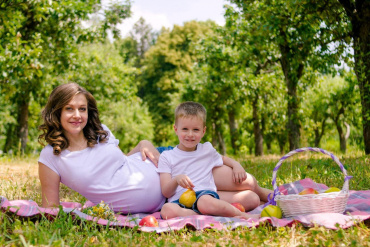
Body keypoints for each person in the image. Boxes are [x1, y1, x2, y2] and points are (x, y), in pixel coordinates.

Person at [38, 82, 271, 214]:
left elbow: (120, 162)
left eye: (82, 109)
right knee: (247, 198)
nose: (77, 115)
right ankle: (258, 199)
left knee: (247, 181)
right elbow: (50, 207)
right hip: (171, 198)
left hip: (167, 165)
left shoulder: (100, 132)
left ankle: (267, 194)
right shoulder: (51, 157)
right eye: (69, 109)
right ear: (56, 112)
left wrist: (143, 144)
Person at [158, 102, 260, 219]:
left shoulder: (206, 149)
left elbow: (223, 159)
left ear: (203, 131)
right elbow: (166, 192)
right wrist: (176, 180)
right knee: (166, 210)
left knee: (204, 202)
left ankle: (241, 215)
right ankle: (204, 215)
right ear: (176, 129)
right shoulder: (166, 156)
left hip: (204, 195)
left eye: (196, 130)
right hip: (180, 201)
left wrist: (236, 165)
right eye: (185, 129)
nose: (190, 134)